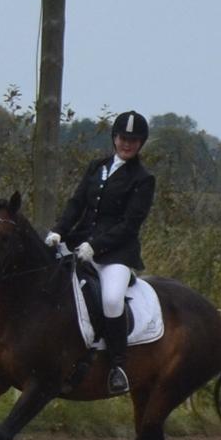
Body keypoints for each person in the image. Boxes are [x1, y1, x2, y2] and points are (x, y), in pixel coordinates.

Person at [45, 110, 156, 395]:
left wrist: (96, 246)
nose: (127, 144)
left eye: (133, 140)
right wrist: (59, 230)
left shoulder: (143, 178)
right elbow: (76, 203)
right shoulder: (97, 167)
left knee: (110, 299)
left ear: (141, 143)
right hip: (79, 242)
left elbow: (130, 224)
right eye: (123, 138)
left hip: (116, 254)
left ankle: (118, 365)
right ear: (114, 138)